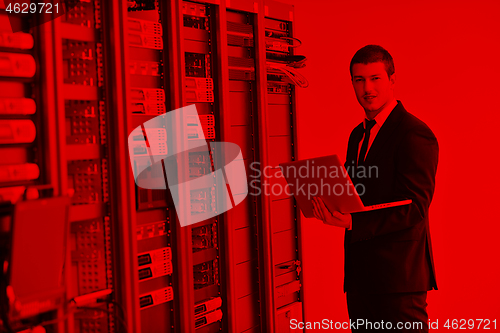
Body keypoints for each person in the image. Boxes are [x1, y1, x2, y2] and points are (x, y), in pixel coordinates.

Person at [312, 45, 439, 332]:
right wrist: (327, 197)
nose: (367, 88)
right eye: (359, 80)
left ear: (392, 80)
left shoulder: (414, 133)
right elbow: (356, 193)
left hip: (398, 280)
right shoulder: (358, 134)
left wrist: (354, 223)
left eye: (375, 78)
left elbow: (415, 208)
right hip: (360, 277)